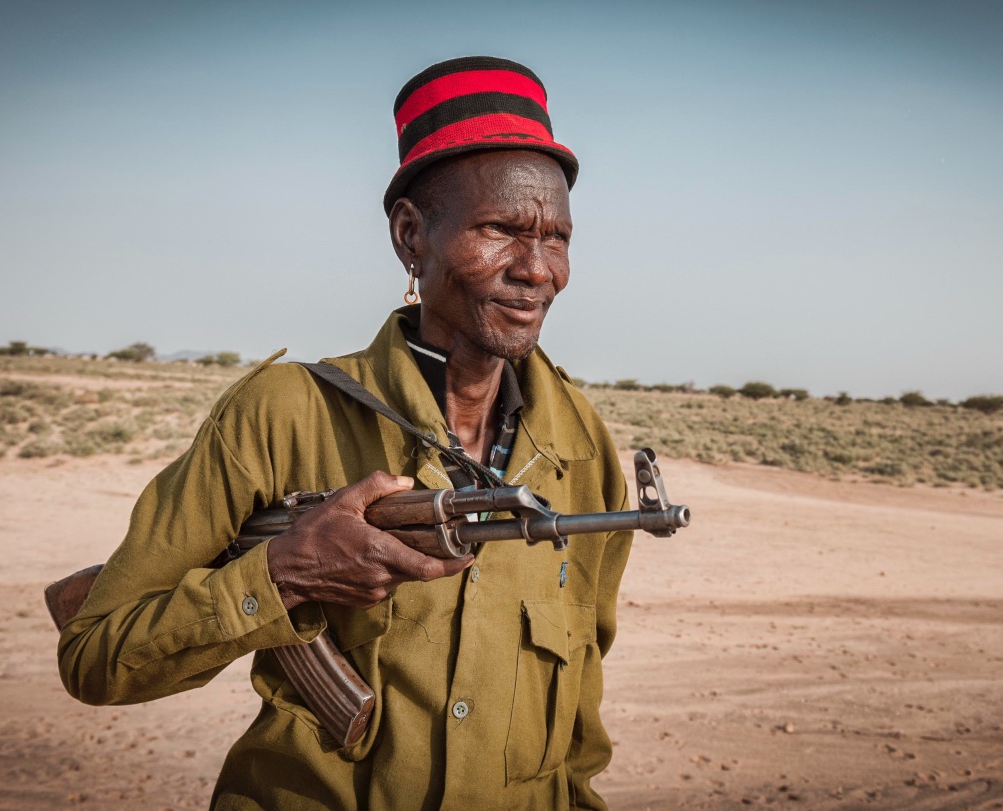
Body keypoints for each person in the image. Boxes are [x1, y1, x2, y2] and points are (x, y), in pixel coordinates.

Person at [57, 56, 632, 811]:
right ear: (410, 236)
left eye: (556, 238)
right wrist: (284, 574)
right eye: (501, 228)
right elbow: (98, 656)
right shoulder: (282, 413)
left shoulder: (581, 448)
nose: (537, 268)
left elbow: (579, 735)